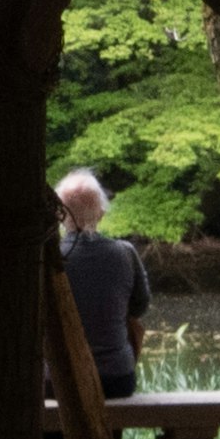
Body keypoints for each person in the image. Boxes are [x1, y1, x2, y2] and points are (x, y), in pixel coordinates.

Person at [54, 169, 151, 397]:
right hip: (116, 378)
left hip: (59, 380)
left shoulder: (50, 260)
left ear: (62, 215)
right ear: (100, 213)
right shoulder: (125, 254)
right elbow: (141, 306)